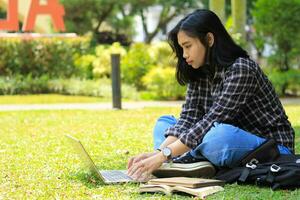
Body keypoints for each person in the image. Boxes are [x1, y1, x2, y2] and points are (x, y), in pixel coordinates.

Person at [127, 9, 295, 181]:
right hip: (212, 138)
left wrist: (165, 155)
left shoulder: (241, 69)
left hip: (269, 147)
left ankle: (183, 158)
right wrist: (158, 152)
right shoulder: (199, 70)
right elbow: (188, 118)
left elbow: (211, 121)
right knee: (164, 123)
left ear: (209, 39)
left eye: (188, 46)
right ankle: (187, 160)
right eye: (182, 48)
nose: (184, 55)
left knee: (218, 136)